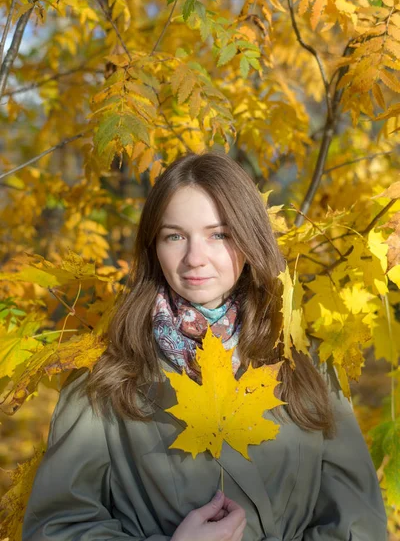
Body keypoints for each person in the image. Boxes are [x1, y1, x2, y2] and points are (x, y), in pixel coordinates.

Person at [22, 152, 387, 541]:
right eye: (175, 236)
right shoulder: (105, 376)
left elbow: (358, 524)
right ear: (154, 247)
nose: (195, 259)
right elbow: (56, 528)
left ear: (250, 239)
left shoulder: (306, 361)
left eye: (219, 234)